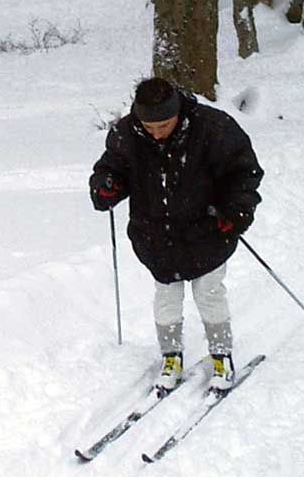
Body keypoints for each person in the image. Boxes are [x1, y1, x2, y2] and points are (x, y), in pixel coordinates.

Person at [89, 77, 263, 393]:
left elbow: (243, 172)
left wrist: (236, 211)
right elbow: (111, 169)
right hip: (155, 235)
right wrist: (106, 186)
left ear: (177, 112)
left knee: (209, 293)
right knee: (166, 297)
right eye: (148, 126)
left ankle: (221, 355)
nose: (156, 133)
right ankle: (171, 356)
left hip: (207, 231)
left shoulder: (212, 127)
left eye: (164, 125)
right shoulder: (127, 134)